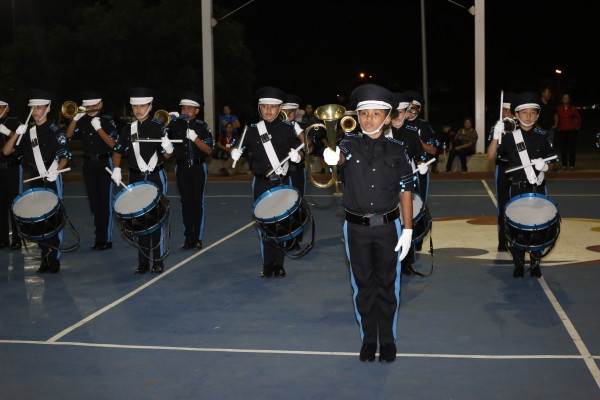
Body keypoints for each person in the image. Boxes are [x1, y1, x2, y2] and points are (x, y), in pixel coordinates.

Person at [322, 84, 414, 363]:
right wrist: (330, 157)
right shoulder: (348, 144)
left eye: (376, 113)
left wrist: (408, 230)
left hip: (389, 227)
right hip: (356, 228)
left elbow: (406, 191)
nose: (369, 119)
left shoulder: (399, 150)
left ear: (387, 118)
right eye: (364, 113)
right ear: (357, 116)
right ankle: (368, 340)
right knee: (362, 286)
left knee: (388, 285)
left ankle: (387, 339)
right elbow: (339, 158)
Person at [230, 86, 304, 279]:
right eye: (264, 107)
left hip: (281, 181)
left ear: (280, 108)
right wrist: (235, 151)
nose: (269, 110)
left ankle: (279, 264)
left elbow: (301, 149)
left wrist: (298, 156)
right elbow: (238, 146)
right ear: (259, 108)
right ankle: (267, 264)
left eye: (273, 107)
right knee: (264, 225)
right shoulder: (252, 130)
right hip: (261, 183)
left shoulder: (288, 129)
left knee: (280, 223)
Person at [487, 91, 556, 278]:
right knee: (517, 226)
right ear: (516, 115)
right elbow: (491, 155)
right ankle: (518, 263)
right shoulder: (510, 136)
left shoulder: (543, 135)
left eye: (533, 112)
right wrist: (496, 135)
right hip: (517, 187)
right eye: (524, 113)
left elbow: (552, 161)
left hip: (537, 187)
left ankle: (535, 262)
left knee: (538, 226)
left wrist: (546, 166)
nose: (529, 116)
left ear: (538, 115)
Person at [2, 89, 71, 273]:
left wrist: (56, 171)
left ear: (48, 109)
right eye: (33, 108)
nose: (36, 111)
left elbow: (65, 156)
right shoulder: (28, 132)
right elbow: (7, 152)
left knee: (53, 217)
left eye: (40, 108)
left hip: (51, 175)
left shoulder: (55, 130)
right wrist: (16, 133)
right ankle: (44, 257)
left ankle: (54, 258)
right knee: (38, 219)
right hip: (36, 177)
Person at [110, 87, 174, 274]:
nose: (138, 110)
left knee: (156, 219)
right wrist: (116, 169)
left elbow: (168, 155)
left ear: (150, 106)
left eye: (142, 105)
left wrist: (168, 146)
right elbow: (118, 151)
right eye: (135, 106)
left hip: (156, 175)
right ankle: (143, 262)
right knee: (138, 219)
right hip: (135, 177)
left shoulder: (159, 126)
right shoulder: (127, 129)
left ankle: (158, 260)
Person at [65, 91, 118, 251]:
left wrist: (99, 128)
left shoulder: (108, 120)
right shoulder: (82, 120)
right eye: (88, 105)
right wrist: (75, 118)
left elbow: (113, 144)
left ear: (101, 105)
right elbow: (68, 135)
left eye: (95, 105)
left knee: (105, 203)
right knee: (94, 203)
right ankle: (98, 237)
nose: (91, 108)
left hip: (104, 162)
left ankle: (106, 239)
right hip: (88, 164)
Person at [168, 91, 214, 250]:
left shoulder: (202, 126)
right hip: (181, 167)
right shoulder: (173, 125)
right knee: (185, 203)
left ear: (197, 111)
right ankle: (188, 238)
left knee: (197, 203)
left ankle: (198, 238)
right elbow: (167, 151)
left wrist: (194, 138)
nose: (186, 111)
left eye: (190, 108)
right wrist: (166, 125)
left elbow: (208, 150)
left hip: (198, 167)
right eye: (184, 108)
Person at [389, 92, 427, 275]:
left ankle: (407, 261)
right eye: (395, 112)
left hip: (407, 181)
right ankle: (390, 260)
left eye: (402, 112)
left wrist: (422, 166)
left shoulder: (412, 133)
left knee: (407, 222)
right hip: (387, 183)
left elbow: (420, 156)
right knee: (389, 222)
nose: (398, 116)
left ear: (406, 112)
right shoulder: (383, 131)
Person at [486, 92, 516, 252]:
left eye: (511, 110)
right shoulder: (497, 125)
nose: (508, 114)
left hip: (520, 169)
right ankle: (503, 240)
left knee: (519, 205)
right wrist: (498, 134)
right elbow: (490, 153)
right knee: (503, 206)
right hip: (503, 168)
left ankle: (518, 237)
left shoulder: (521, 124)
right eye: (506, 110)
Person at [0, 93, 23, 250]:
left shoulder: (15, 122)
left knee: (15, 204)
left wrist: (7, 132)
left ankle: (17, 237)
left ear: (7, 108)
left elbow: (21, 143)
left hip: (12, 168)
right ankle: (2, 239)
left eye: (1, 107)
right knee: (0, 206)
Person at [556, 93, 582, 171]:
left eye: (567, 97)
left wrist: (577, 127)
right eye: (564, 97)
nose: (565, 99)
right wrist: (557, 126)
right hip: (562, 130)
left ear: (569, 100)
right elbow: (556, 118)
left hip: (572, 130)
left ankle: (572, 165)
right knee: (563, 148)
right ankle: (564, 165)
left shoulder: (573, 108)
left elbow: (579, 118)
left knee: (572, 148)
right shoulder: (558, 108)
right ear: (562, 99)